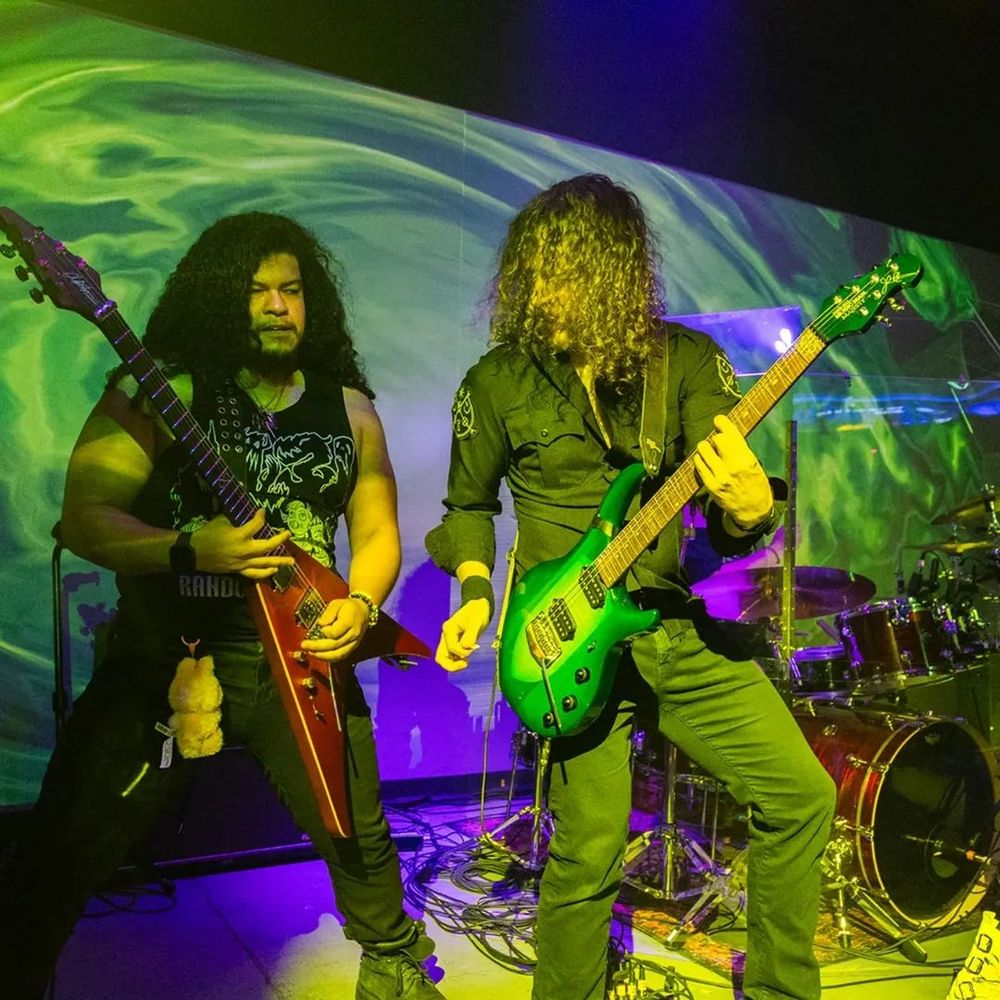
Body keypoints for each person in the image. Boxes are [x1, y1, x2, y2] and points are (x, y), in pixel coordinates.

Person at [1, 212, 446, 1000]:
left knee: (358, 829)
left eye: (292, 290)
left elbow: (377, 533)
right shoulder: (162, 389)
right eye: (257, 291)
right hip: (169, 648)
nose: (278, 306)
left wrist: (363, 601)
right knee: (70, 834)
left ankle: (393, 961)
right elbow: (84, 518)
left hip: (303, 648)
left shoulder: (350, 409)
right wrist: (186, 549)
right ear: (221, 300)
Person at [426, 175, 836, 1000]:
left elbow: (726, 518)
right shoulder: (496, 382)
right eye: (531, 269)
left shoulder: (683, 362)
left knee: (801, 793)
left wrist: (751, 510)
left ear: (612, 271)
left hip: (667, 626)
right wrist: (474, 591)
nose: (540, 289)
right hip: (564, 643)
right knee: (586, 851)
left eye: (562, 269)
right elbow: (467, 506)